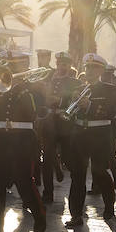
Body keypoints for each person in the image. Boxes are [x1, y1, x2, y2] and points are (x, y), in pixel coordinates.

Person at [0, 51, 46, 232]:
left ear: (25, 67)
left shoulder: (33, 88)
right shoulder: (0, 88)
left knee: (24, 184)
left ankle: (40, 215)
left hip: (22, 141)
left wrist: (23, 89)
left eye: (17, 66)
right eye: (10, 66)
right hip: (0, 140)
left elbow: (38, 111)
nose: (13, 70)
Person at [65, 54, 116, 225]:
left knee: (99, 172)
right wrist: (72, 102)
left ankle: (109, 205)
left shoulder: (110, 89)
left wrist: (89, 106)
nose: (89, 71)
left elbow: (112, 111)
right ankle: (76, 215)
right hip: (81, 134)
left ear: (101, 70)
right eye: (87, 67)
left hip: (100, 135)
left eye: (93, 68)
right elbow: (71, 112)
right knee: (78, 175)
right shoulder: (80, 88)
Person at [41, 51, 79, 204]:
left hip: (65, 122)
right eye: (59, 63)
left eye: (65, 64)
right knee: (47, 157)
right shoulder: (48, 79)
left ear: (70, 66)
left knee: (68, 158)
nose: (61, 66)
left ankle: (75, 184)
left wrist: (60, 99)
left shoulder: (74, 82)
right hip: (49, 121)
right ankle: (47, 192)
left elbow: (76, 99)